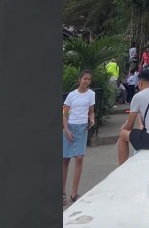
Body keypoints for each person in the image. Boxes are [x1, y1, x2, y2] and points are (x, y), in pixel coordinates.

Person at [117, 67, 149, 164]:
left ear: (140, 82)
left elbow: (129, 125)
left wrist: (123, 128)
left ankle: (121, 167)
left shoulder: (138, 96)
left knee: (123, 135)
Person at [62, 70, 96, 207]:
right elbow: (64, 114)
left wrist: (92, 120)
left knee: (79, 158)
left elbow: (91, 111)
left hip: (82, 127)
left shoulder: (91, 94)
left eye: (89, 79)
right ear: (79, 79)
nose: (87, 81)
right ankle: (62, 193)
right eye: (85, 79)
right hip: (70, 126)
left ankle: (74, 193)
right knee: (65, 160)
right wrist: (66, 129)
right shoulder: (71, 95)